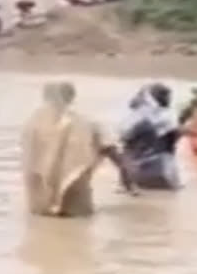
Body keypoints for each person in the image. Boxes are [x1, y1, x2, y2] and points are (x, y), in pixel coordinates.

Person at [22, 82, 135, 217]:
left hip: (40, 203)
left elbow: (29, 160)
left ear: (45, 97)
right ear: (71, 97)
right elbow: (112, 151)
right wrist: (128, 181)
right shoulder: (86, 122)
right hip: (75, 197)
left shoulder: (31, 125)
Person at [120, 83, 182, 190]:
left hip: (149, 174)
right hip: (159, 174)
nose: (169, 99)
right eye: (165, 96)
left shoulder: (145, 119)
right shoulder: (151, 120)